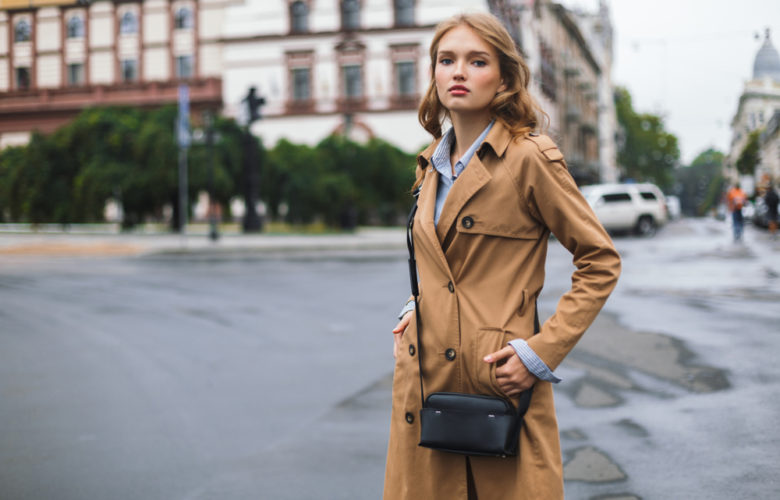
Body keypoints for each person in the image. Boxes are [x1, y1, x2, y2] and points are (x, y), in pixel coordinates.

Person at [383, 13, 621, 500]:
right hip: (425, 380)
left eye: (477, 61)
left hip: (499, 382)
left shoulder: (529, 157)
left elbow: (599, 260)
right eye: (446, 60)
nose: (458, 72)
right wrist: (416, 307)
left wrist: (540, 353)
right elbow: (444, 264)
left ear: (505, 78)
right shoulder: (431, 163)